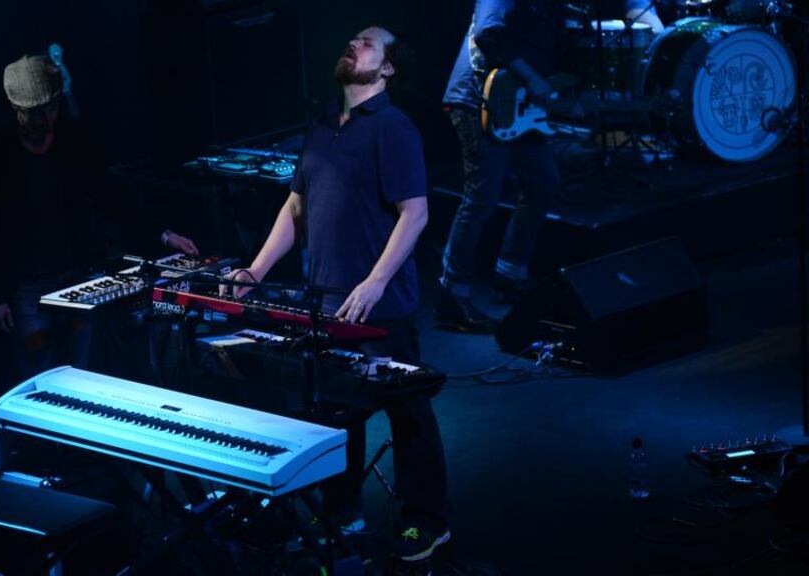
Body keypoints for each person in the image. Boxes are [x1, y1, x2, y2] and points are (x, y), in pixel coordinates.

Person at [223, 26, 449, 562]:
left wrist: (374, 282)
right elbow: (295, 205)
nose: (354, 43)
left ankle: (429, 521)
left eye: (369, 43)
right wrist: (256, 268)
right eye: (353, 38)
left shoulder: (393, 128)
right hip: (324, 301)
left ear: (388, 68)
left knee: (408, 412)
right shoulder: (322, 124)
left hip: (380, 307)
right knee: (334, 412)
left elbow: (415, 214)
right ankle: (341, 514)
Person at [435, 0, 663, 333]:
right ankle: (451, 296)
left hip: (519, 101)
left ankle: (509, 274)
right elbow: (488, 33)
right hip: (478, 100)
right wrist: (533, 80)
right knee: (482, 196)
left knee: (543, 181)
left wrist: (559, 91)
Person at [0, 54, 198, 380]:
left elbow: (110, 194)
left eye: (51, 108)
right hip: (26, 284)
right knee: (39, 374)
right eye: (35, 113)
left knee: (80, 371)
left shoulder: (73, 140)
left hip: (73, 274)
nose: (45, 119)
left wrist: (162, 233)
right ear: (14, 106)